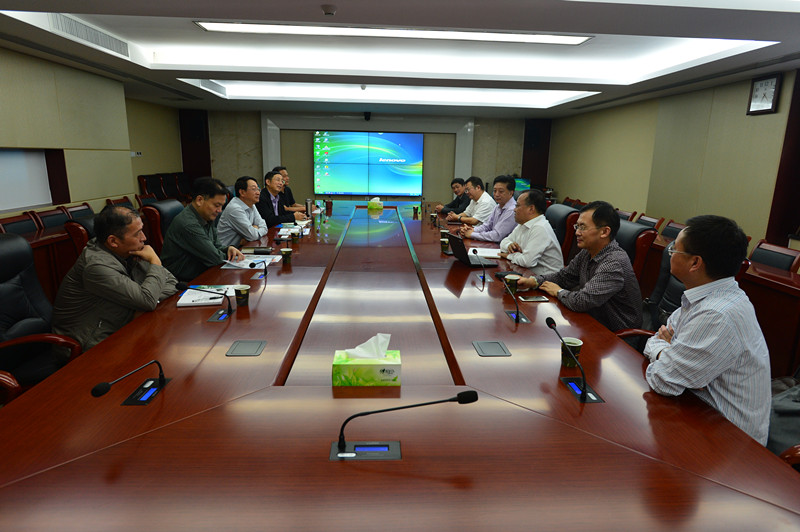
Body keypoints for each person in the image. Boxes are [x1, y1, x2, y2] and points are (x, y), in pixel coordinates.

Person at [643, 215, 770, 444]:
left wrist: (665, 353)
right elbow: (657, 337)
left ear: (695, 263)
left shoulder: (717, 314)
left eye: (674, 248)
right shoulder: (707, 295)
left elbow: (663, 380)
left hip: (729, 443)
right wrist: (669, 353)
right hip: (696, 412)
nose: (669, 252)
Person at [52, 206, 178, 351]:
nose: (144, 238)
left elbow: (172, 283)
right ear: (113, 241)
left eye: (142, 230)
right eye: (137, 233)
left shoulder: (129, 251)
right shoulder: (96, 266)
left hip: (121, 327)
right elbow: (147, 300)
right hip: (88, 345)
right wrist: (155, 263)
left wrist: (147, 299)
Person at [517, 200, 642, 331]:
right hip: (590, 320)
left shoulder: (614, 262)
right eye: (577, 226)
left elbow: (582, 301)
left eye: (583, 227)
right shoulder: (587, 252)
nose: (577, 232)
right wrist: (533, 281)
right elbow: (564, 277)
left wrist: (558, 291)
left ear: (604, 232)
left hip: (616, 334)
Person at [161, 177, 245, 281]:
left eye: (222, 206)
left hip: (204, 272)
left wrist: (228, 249)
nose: (219, 210)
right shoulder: (188, 224)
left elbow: (217, 246)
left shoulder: (206, 216)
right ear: (199, 200)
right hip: (183, 282)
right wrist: (228, 255)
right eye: (217, 205)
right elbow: (215, 259)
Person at [499, 189, 563, 275]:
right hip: (526, 272)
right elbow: (504, 242)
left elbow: (527, 261)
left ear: (531, 209)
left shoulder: (540, 228)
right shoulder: (523, 224)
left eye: (517, 206)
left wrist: (508, 255)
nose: (514, 209)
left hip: (546, 279)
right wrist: (509, 246)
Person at [460, 175, 517, 242]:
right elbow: (487, 226)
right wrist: (472, 230)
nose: (496, 194)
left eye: (501, 191)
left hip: (501, 246)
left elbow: (497, 236)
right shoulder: (498, 206)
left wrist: (472, 234)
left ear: (511, 193)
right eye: (495, 191)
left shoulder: (512, 210)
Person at [217, 175, 269, 247]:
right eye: (254, 189)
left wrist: (254, 230)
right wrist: (255, 228)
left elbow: (264, 227)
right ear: (242, 192)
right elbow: (253, 236)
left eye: (258, 189)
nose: (258, 193)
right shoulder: (234, 209)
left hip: (241, 248)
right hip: (226, 251)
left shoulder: (251, 204)